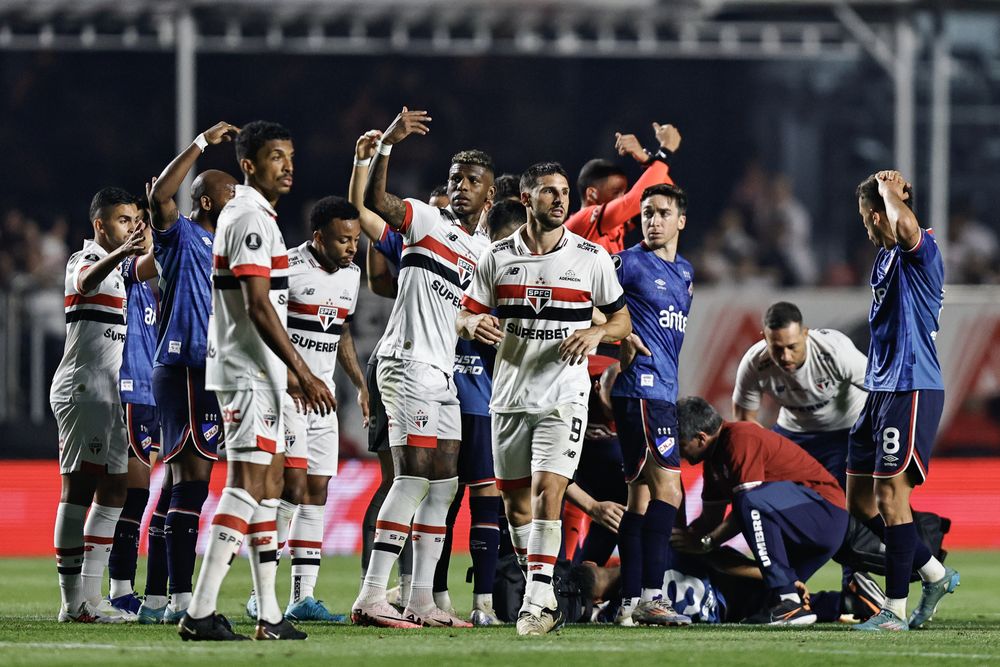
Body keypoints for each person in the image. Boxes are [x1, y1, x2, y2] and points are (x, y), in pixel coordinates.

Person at [457, 161, 631, 636]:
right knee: (515, 505)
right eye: (549, 192)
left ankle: (536, 601)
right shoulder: (496, 258)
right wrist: (473, 323)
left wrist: (597, 333)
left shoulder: (590, 258)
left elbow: (622, 321)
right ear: (526, 200)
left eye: (563, 192)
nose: (560, 199)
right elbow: (465, 315)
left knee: (546, 490)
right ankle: (543, 589)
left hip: (564, 396)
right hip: (510, 396)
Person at [178, 120, 335, 642]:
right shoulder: (247, 216)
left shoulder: (260, 216)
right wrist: (301, 369)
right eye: (275, 156)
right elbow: (257, 305)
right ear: (249, 164)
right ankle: (199, 612)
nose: (287, 165)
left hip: (259, 372)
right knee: (247, 485)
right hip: (245, 372)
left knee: (267, 490)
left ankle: (269, 615)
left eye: (290, 155)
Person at [351, 108, 491, 629]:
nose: (459, 187)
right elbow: (372, 203)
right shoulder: (426, 220)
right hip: (405, 363)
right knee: (412, 479)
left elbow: (477, 308)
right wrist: (386, 146)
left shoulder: (484, 253)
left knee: (446, 486)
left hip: (443, 373)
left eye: (471, 182)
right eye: (455, 179)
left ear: (489, 196)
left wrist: (472, 325)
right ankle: (369, 597)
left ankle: (421, 600)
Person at [848, 171, 957, 631]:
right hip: (881, 389)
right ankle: (933, 572)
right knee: (860, 501)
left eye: (866, 219)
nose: (866, 228)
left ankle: (893, 611)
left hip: (911, 385)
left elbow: (908, 228)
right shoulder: (884, 259)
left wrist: (891, 190)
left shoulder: (921, 251)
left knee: (893, 499)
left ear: (877, 214)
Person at [144, 122, 239, 624]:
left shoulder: (227, 250)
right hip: (185, 366)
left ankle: (158, 597)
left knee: (178, 483)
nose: (237, 197)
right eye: (230, 192)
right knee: (193, 481)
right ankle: (184, 600)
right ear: (205, 202)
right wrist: (201, 143)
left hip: (207, 371)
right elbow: (160, 193)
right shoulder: (183, 236)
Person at [268, 196, 368, 622]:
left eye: (356, 239)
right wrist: (294, 379)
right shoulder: (287, 268)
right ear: (317, 237)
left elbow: (341, 330)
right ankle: (263, 593)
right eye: (343, 240)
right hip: (289, 395)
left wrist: (360, 384)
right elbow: (266, 329)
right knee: (291, 486)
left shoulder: (351, 275)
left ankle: (302, 597)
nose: (351, 248)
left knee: (317, 491)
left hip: (324, 397)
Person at [51, 187, 146, 623]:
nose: (129, 227)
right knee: (79, 490)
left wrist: (156, 238)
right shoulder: (84, 260)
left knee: (115, 489)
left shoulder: (122, 270)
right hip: (83, 389)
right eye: (122, 220)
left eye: (133, 220)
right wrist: (124, 253)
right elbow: (85, 283)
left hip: (112, 393)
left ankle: (92, 597)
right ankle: (72, 602)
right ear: (100, 225)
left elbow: (150, 268)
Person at [673, 397, 849, 625]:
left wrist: (707, 541)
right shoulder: (714, 462)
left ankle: (788, 601)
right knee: (757, 598)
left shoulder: (740, 438)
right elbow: (709, 520)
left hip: (823, 515)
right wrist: (679, 540)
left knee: (747, 501)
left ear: (700, 438)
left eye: (681, 444)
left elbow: (747, 508)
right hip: (796, 526)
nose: (679, 453)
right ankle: (851, 601)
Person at [608, 183, 694, 627]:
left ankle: (627, 603)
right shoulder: (629, 262)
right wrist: (616, 339)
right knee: (669, 491)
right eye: (646, 213)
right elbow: (586, 299)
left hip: (657, 392)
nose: (653, 220)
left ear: (681, 220)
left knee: (640, 497)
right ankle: (652, 596)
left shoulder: (685, 272)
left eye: (662, 213)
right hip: (643, 391)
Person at [733, 301, 868, 488]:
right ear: (765, 338)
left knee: (844, 497)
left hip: (845, 430)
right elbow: (745, 420)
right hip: (793, 432)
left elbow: (882, 389)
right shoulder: (754, 363)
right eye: (777, 349)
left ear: (805, 333)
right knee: (766, 490)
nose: (785, 357)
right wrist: (767, 453)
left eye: (792, 347)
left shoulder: (835, 351)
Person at [107, 216, 160, 615]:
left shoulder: (147, 290)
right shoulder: (123, 269)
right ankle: (119, 586)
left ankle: (118, 585)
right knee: (133, 492)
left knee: (134, 494)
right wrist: (165, 230)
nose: (137, 231)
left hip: (151, 393)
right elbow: (151, 260)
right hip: (130, 391)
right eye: (129, 222)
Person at [564, 123, 680, 255]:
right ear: (592, 194)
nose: (622, 197)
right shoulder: (582, 221)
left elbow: (669, 198)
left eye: (623, 192)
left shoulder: (615, 226)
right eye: (615, 192)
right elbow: (634, 199)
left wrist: (647, 160)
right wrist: (666, 151)